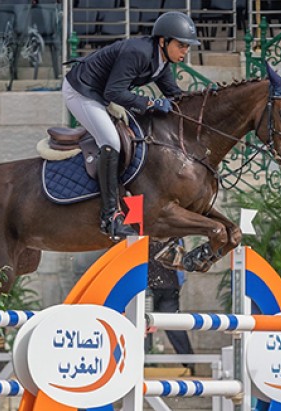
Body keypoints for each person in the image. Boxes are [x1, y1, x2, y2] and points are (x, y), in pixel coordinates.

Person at [62, 12, 201, 241]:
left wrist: (204, 99)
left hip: (100, 94)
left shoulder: (162, 62)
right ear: (163, 41)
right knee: (111, 141)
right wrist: (151, 103)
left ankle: (129, 204)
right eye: (182, 45)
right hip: (81, 91)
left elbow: (176, 96)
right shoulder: (138, 52)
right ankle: (110, 218)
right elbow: (114, 92)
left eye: (188, 46)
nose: (185, 51)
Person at [147, 239, 195, 374]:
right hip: (170, 285)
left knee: (141, 322)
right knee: (174, 325)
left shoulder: (146, 232)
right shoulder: (176, 235)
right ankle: (188, 363)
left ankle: (136, 361)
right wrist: (177, 285)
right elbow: (182, 265)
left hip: (148, 285)